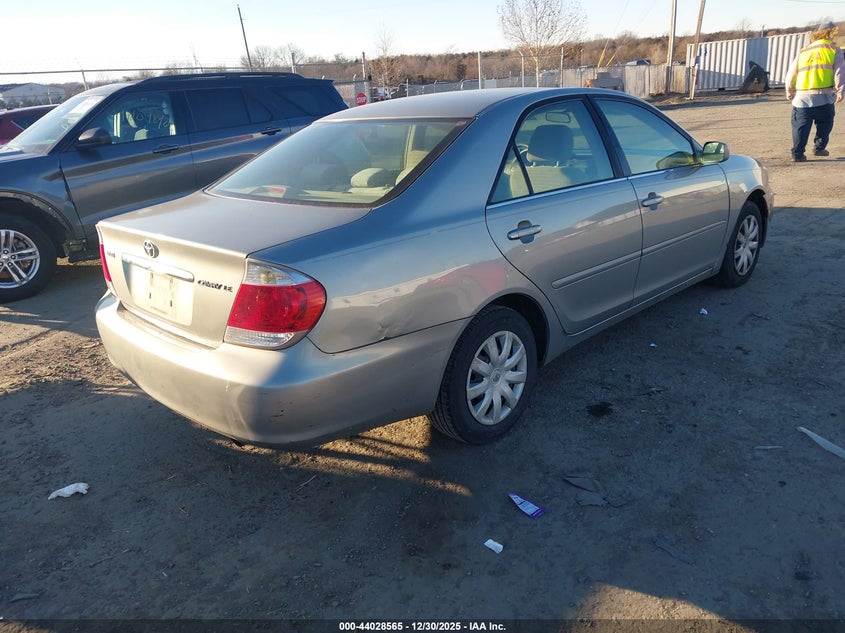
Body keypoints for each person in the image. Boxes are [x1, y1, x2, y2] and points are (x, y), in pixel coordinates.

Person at [785, 21, 845, 162]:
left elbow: (791, 73)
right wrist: (841, 91)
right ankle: (819, 148)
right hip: (824, 97)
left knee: (801, 126)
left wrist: (789, 89)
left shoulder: (804, 51)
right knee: (825, 123)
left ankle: (798, 154)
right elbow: (840, 72)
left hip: (802, 98)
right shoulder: (833, 50)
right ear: (832, 33)